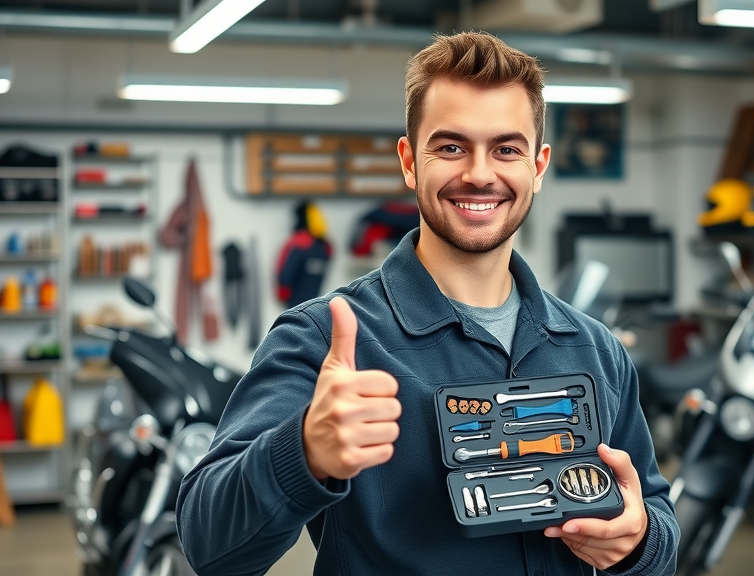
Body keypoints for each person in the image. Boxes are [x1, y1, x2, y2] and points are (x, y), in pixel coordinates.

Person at [176, 31, 679, 576]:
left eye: (506, 149)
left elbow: (657, 523)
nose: (480, 173)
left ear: (538, 166)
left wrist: (639, 542)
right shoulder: (322, 339)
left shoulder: (595, 348)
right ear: (410, 160)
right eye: (451, 147)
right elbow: (208, 543)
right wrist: (302, 452)